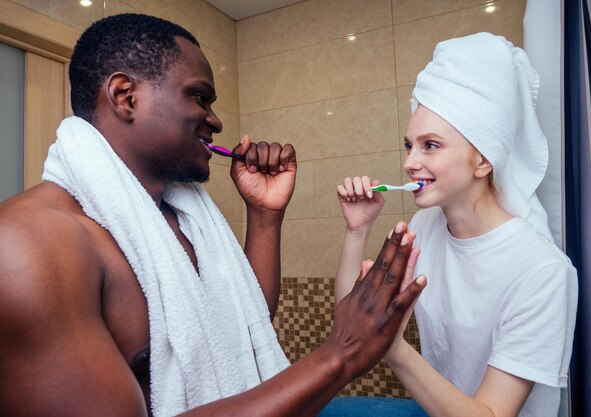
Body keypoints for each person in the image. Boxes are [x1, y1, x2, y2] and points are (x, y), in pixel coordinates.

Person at [0, 14, 427, 417]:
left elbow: (241, 321)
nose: (216, 121)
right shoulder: (27, 247)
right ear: (125, 96)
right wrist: (341, 354)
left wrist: (264, 214)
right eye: (199, 97)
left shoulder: (176, 215)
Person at [335, 32, 578, 417]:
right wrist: (357, 230)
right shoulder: (424, 225)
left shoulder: (543, 272)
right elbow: (351, 316)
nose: (409, 162)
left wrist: (393, 348)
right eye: (409, 145)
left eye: (430, 145)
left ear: (483, 160)